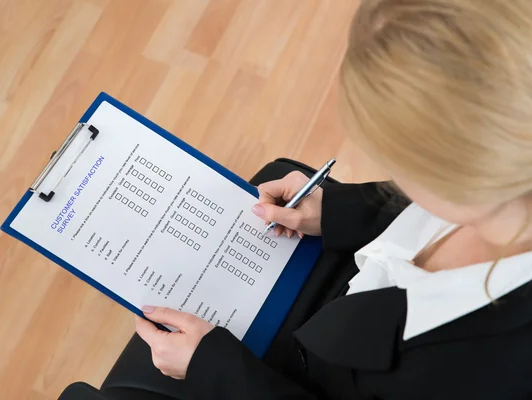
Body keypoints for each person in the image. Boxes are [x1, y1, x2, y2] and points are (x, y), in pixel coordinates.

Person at [133, 0, 532, 398]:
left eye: (398, 161)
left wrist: (217, 371)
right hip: (346, 306)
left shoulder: (479, 374)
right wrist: (334, 211)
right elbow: (419, 215)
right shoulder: (501, 179)